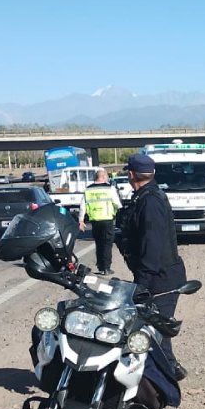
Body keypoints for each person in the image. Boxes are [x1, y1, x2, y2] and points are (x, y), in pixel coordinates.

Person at [117, 153, 188, 381]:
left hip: (161, 279)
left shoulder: (151, 202)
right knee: (152, 330)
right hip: (157, 275)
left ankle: (168, 380)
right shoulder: (145, 196)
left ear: (131, 174)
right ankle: (165, 374)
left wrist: (142, 286)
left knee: (155, 332)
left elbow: (153, 247)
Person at [80, 168, 122, 275]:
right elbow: (117, 203)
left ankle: (100, 266)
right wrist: (117, 212)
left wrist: (81, 220)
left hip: (95, 220)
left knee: (99, 243)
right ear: (103, 177)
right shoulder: (110, 188)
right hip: (107, 219)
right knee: (107, 244)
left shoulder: (88, 189)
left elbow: (82, 206)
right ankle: (107, 268)